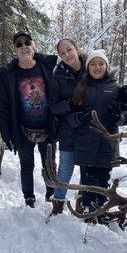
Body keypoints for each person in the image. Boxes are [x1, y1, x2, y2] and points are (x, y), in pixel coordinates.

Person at [68, 49, 127, 223]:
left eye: (101, 64)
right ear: (88, 67)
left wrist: (118, 117)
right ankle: (89, 211)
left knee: (103, 180)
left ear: (106, 66)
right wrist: (80, 117)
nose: (97, 67)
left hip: (106, 145)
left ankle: (101, 211)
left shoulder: (116, 89)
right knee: (88, 180)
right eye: (93, 64)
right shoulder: (81, 88)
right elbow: (71, 118)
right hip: (85, 145)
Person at [0, 31, 58, 207]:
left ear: (33, 45)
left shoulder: (46, 67)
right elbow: (3, 107)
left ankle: (51, 196)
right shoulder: (9, 76)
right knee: (26, 165)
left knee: (50, 164)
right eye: (19, 44)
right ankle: (29, 197)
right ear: (14, 50)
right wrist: (6, 134)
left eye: (27, 42)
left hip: (47, 127)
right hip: (23, 129)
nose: (23, 46)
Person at [48, 38, 87, 216]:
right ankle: (58, 202)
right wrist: (70, 104)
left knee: (88, 169)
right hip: (68, 130)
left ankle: (83, 201)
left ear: (76, 49)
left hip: (90, 128)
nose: (66, 55)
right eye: (62, 53)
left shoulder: (92, 67)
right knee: (65, 169)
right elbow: (54, 106)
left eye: (69, 50)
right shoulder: (58, 75)